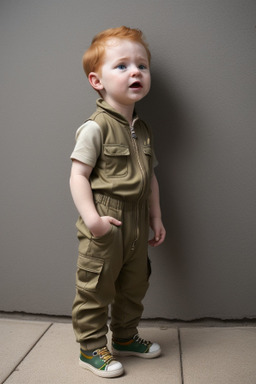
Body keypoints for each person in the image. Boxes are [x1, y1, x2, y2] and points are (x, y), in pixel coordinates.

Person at [69, 26, 166, 378]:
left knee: (133, 284)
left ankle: (125, 337)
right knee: (96, 287)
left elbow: (151, 176)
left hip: (138, 221)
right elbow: (78, 176)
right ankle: (91, 347)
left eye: (141, 65)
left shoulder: (143, 129)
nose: (135, 71)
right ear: (97, 80)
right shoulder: (95, 127)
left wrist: (156, 218)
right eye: (122, 66)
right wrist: (93, 219)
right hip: (107, 221)